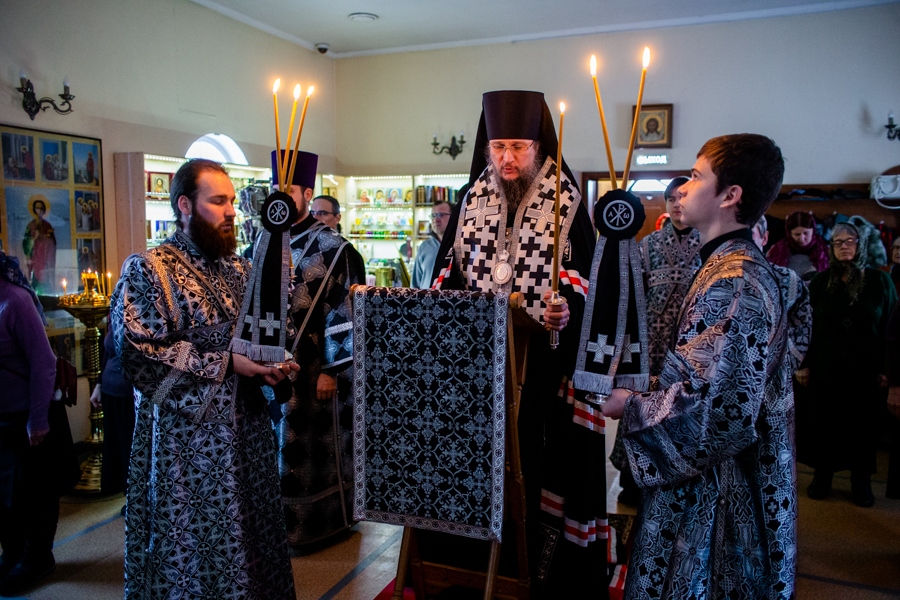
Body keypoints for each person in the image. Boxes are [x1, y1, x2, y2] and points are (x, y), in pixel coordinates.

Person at [602, 134, 802, 599]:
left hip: (721, 495)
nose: (684, 188)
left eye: (696, 176)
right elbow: (701, 374)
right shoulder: (725, 266)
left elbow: (719, 413)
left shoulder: (735, 281)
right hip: (715, 478)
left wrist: (632, 405)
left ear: (730, 195)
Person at [428, 90, 597, 595]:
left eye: (519, 147)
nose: (507, 158)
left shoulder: (566, 200)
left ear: (538, 147)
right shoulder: (471, 198)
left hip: (541, 366)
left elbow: (584, 279)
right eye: (499, 146)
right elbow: (447, 274)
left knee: (533, 466)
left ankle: (531, 569)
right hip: (475, 366)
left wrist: (565, 307)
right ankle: (470, 564)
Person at [111, 158, 297, 600]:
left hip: (249, 436)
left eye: (232, 201)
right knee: (195, 552)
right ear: (185, 205)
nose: (231, 211)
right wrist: (227, 363)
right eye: (218, 201)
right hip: (186, 448)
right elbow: (138, 352)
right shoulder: (149, 269)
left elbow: (263, 334)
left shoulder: (240, 269)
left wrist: (274, 362)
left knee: (255, 544)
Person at [271, 151, 362, 546]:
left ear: (307, 193)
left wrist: (332, 370)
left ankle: (320, 525)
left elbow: (345, 310)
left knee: (312, 447)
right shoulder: (263, 241)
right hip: (269, 367)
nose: (279, 195)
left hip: (314, 368)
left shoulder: (334, 247)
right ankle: (275, 526)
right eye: (274, 188)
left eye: (288, 189)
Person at [609, 176, 699, 506]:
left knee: (679, 411)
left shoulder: (706, 243)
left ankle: (677, 478)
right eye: (671, 198)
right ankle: (632, 478)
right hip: (649, 348)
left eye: (682, 197)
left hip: (688, 348)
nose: (677, 204)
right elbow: (632, 296)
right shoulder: (648, 245)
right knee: (641, 408)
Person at [795, 222, 897, 507]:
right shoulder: (820, 282)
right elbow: (805, 326)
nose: (844, 246)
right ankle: (823, 475)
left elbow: (890, 328)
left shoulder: (880, 281)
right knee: (824, 423)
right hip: (826, 368)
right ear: (831, 247)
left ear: (860, 244)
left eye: (850, 240)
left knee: (862, 427)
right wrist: (803, 364)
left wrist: (887, 370)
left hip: (866, 371)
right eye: (838, 242)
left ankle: (861, 480)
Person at [0, 249, 62, 596]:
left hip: (24, 417)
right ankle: (11, 554)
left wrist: (37, 420)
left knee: (29, 494)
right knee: (3, 496)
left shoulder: (16, 301)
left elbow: (43, 363)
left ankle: (35, 557)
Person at [311, 194, 366, 282]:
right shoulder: (306, 245)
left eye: (322, 213)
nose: (315, 217)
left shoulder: (346, 251)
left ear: (337, 218)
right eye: (312, 213)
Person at [766, 210, 829, 282]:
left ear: (813, 230)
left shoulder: (825, 251)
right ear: (789, 233)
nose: (801, 238)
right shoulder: (776, 251)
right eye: (797, 234)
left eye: (806, 233)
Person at [410, 200, 450, 288]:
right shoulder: (424, 246)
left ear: (453, 217)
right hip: (426, 296)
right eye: (433, 216)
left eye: (441, 215)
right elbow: (415, 285)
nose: (436, 219)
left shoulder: (458, 245)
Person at [23, 196, 56, 294]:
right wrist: (33, 239)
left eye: (41, 208)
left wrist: (46, 239)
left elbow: (53, 243)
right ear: (34, 209)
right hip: (35, 259)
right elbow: (26, 243)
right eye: (37, 208)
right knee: (35, 282)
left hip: (45, 258)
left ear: (44, 210)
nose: (39, 211)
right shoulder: (30, 225)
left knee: (46, 280)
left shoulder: (47, 225)